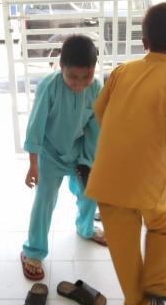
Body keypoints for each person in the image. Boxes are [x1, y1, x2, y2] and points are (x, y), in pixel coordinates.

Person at [85, 2, 166, 305]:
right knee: (161, 226)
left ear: (144, 43)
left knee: (122, 243)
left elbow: (99, 110)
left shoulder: (122, 71)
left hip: (106, 176)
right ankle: (156, 285)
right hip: (147, 178)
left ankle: (136, 302)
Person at [20, 34, 106, 280]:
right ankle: (33, 251)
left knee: (90, 191)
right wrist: (33, 165)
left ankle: (85, 227)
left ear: (94, 69)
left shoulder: (96, 88)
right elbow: (35, 126)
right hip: (50, 154)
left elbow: (95, 127)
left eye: (86, 77)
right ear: (61, 67)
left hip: (78, 152)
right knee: (44, 200)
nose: (80, 84)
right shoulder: (50, 86)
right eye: (73, 77)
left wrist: (88, 162)